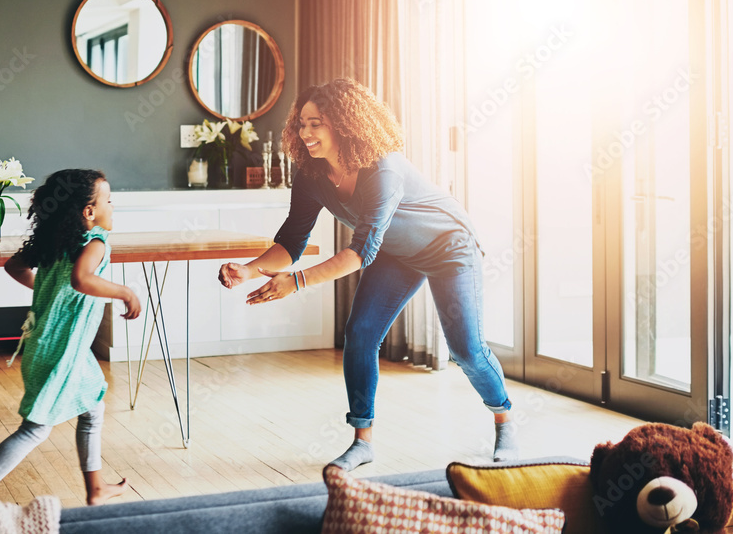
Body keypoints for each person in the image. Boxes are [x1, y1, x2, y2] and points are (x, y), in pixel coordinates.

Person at [218, 78, 517, 471]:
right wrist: (251, 268)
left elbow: (359, 252)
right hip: (396, 253)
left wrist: (297, 283)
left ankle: (505, 421)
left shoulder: (383, 170)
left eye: (317, 124)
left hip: (449, 248)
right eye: (302, 124)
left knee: (467, 351)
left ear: (344, 124)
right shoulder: (310, 174)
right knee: (359, 335)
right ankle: (363, 441)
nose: (306, 133)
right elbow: (292, 241)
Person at [0, 169, 140, 504]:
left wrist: (49, 290)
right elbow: (82, 280)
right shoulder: (95, 243)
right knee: (36, 429)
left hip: (52, 346)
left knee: (94, 405)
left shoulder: (54, 242)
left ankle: (96, 487)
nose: (113, 206)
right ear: (88, 212)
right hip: (62, 351)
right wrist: (125, 292)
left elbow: (14, 267)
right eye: (108, 200)